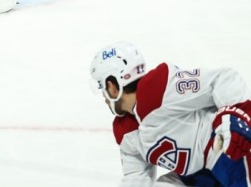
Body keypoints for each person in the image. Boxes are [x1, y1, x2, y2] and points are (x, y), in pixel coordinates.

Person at [89, 42, 251, 186]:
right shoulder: (125, 130)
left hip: (226, 154)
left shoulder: (155, 90)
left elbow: (223, 79)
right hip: (195, 177)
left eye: (102, 87)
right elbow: (136, 176)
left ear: (111, 86)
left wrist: (231, 117)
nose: (103, 96)